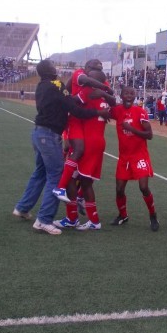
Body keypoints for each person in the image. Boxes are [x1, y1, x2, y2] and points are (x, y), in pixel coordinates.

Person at [13, 60, 109, 235]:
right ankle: (44, 220)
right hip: (49, 135)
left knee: (40, 173)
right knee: (57, 176)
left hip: (38, 133)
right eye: (51, 65)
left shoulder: (41, 86)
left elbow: (68, 100)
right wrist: (97, 111)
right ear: (49, 71)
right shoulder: (57, 85)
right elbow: (75, 109)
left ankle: (22, 207)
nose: (55, 67)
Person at [55, 70, 116, 231]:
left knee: (77, 181)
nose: (85, 79)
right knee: (83, 181)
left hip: (87, 142)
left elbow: (70, 101)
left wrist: (60, 93)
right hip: (98, 141)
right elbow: (113, 101)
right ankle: (84, 219)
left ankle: (78, 218)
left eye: (89, 77)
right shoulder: (105, 97)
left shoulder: (88, 91)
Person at [108, 86, 159, 231]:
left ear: (135, 96)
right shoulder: (117, 110)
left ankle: (153, 216)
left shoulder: (140, 111)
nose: (129, 95)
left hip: (139, 155)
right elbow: (106, 108)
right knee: (119, 189)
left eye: (131, 93)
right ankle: (123, 215)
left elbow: (149, 135)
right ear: (121, 96)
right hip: (124, 157)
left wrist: (131, 129)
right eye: (126, 93)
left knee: (143, 187)